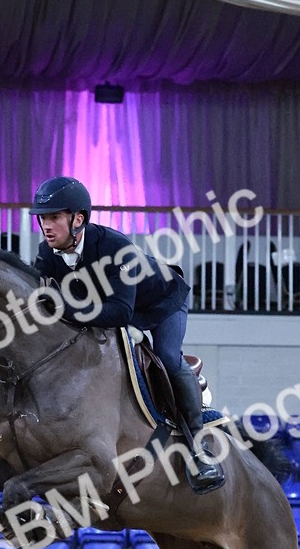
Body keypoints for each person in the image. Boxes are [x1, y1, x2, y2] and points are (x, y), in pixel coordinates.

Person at [31, 175, 224, 491]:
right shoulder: (47, 254)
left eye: (54, 217)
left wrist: (63, 308)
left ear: (78, 219)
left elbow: (120, 312)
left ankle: (198, 449)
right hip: (116, 310)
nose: (46, 225)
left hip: (162, 303)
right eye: (43, 218)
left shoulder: (115, 247)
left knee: (166, 357)